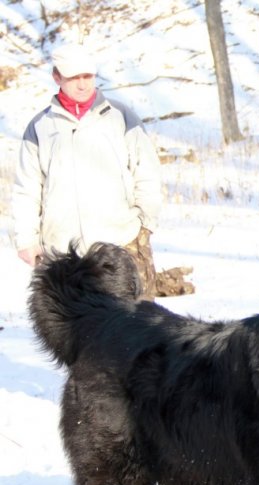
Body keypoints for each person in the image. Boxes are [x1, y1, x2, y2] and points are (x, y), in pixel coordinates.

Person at [11, 42, 162, 300]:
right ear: (57, 77)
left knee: (136, 331)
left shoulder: (121, 116)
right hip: (64, 255)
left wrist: (144, 224)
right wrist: (26, 239)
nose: (82, 84)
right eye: (74, 78)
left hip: (122, 244)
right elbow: (27, 188)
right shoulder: (40, 127)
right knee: (73, 338)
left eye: (88, 76)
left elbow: (147, 173)